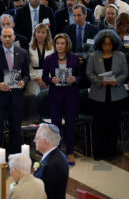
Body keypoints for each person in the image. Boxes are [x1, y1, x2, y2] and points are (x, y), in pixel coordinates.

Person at [0, 27, 30, 172]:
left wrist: (23, 82)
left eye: (10, 36)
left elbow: (26, 74)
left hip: (16, 97)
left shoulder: (22, 53)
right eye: (5, 36)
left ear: (14, 37)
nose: (8, 39)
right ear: (1, 38)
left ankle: (15, 160)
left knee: (15, 130)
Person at [87, 29, 128, 161]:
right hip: (98, 95)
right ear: (100, 44)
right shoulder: (93, 56)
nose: (107, 46)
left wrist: (117, 81)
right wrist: (100, 82)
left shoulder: (120, 55)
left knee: (112, 124)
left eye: (110, 44)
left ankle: (111, 151)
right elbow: (89, 73)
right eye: (105, 44)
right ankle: (99, 152)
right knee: (99, 124)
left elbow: (124, 73)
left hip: (116, 95)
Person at [42, 33, 81, 165]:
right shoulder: (49, 59)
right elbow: (44, 76)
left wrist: (75, 79)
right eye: (57, 43)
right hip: (55, 96)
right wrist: (50, 79)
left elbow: (81, 75)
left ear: (67, 44)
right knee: (55, 125)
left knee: (70, 124)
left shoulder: (75, 58)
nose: (59, 46)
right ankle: (56, 152)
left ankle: (70, 153)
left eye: (62, 43)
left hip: (71, 95)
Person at [63, 4, 99, 89]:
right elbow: (63, 49)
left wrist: (85, 58)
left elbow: (96, 50)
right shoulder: (67, 30)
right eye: (74, 15)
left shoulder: (94, 30)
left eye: (79, 15)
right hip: (71, 68)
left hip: (88, 68)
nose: (76, 18)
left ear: (85, 15)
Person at [33, 123, 69, 199]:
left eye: (37, 138)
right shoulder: (60, 154)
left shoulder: (49, 166)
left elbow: (42, 195)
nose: (34, 140)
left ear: (45, 142)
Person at [26, 23, 54, 96]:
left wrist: (47, 79)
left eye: (43, 32)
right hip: (33, 79)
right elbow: (28, 65)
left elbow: (54, 65)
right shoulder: (29, 47)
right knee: (34, 102)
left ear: (47, 34)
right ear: (34, 33)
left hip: (49, 79)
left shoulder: (52, 48)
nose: (40, 35)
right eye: (38, 32)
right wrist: (37, 79)